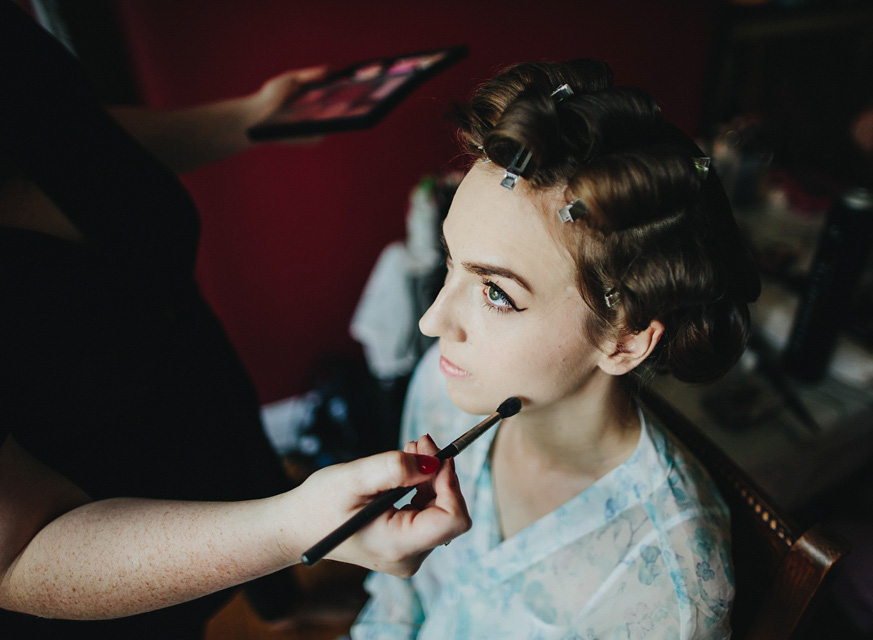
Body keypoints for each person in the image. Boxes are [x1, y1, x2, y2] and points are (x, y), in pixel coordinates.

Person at [0, 3, 469, 638]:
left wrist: (248, 119)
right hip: (91, 550)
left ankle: (283, 608)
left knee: (246, 491)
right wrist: (291, 529)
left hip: (196, 387)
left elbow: (77, 138)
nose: (432, 320)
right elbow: (20, 553)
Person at [350, 59, 761, 639]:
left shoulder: (668, 587)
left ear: (624, 340)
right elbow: (397, 600)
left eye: (496, 292)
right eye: (450, 262)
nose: (430, 320)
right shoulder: (445, 390)